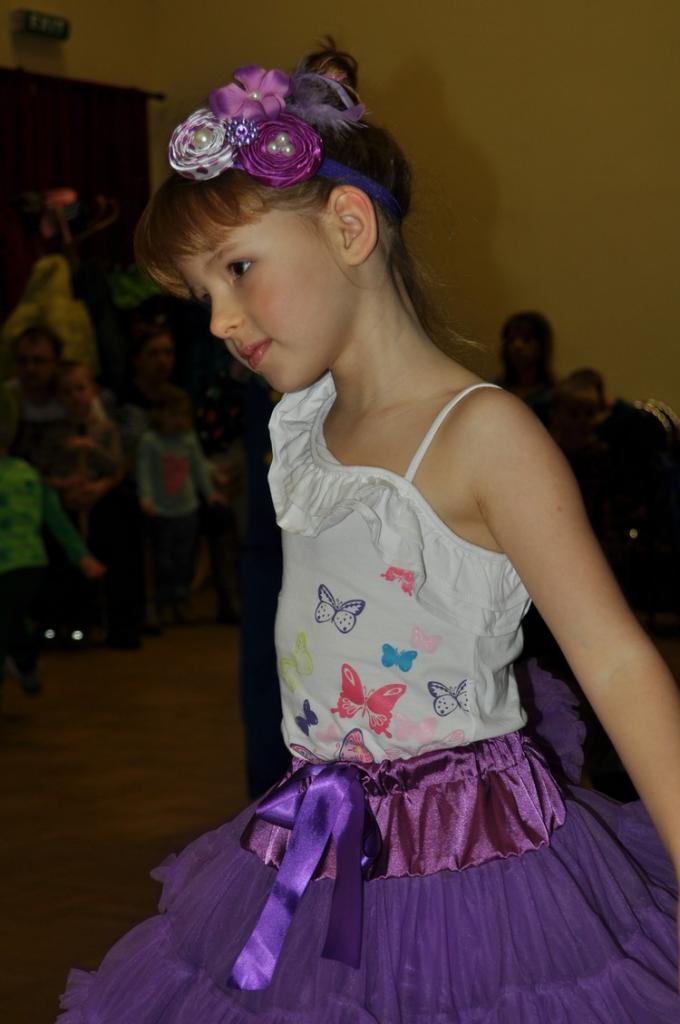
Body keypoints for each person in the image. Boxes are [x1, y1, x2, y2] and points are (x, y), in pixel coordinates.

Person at [57, 45, 679, 1022]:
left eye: (238, 270)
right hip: (314, 835)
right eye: (203, 295)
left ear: (348, 227)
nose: (217, 320)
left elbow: (614, 661)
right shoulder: (301, 424)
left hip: (472, 858)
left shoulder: (485, 435)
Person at [0, 384, 104, 699]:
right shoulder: (30, 473)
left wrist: (82, 556)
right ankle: (24, 660)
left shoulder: (27, 474)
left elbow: (57, 521)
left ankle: (24, 661)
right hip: (16, 568)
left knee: (6, 617)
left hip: (24, 565)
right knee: (9, 620)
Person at [136, 384, 223, 624]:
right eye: (173, 415)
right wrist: (146, 497)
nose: (179, 421)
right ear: (159, 414)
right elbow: (144, 472)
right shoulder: (150, 441)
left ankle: (181, 597)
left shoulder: (188, 439)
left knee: (184, 558)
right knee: (163, 558)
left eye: (183, 415)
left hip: (187, 509)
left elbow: (199, 468)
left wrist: (210, 493)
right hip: (161, 510)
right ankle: (163, 600)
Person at [497, 310, 554, 419]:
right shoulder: (496, 390)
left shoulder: (553, 396)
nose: (517, 345)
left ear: (542, 346)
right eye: (511, 339)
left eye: (526, 339)